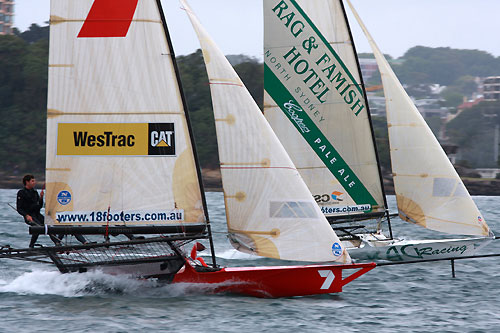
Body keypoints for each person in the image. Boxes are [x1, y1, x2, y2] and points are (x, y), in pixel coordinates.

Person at [16, 174, 62, 248]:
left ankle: (57, 243)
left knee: (48, 226)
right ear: (27, 182)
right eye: (32, 181)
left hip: (37, 214)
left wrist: (41, 198)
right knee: (37, 227)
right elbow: (19, 208)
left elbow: (39, 206)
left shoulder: (35, 192)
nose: (35, 182)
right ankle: (31, 245)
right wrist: (26, 215)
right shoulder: (21, 192)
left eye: (34, 181)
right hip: (29, 215)